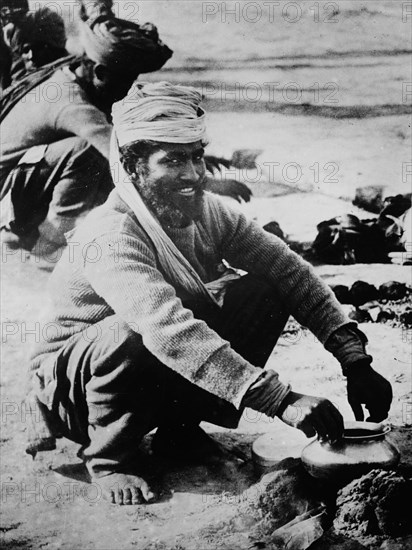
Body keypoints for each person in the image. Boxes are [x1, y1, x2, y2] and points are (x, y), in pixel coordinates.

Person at [26, 82, 392, 505]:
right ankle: (109, 458)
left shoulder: (204, 211)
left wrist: (354, 359)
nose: (194, 174)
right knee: (135, 331)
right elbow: (169, 331)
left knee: (262, 288)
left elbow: (289, 270)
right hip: (78, 392)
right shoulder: (110, 234)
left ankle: (180, 432)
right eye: (174, 160)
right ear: (132, 165)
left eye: (197, 156)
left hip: (152, 369)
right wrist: (282, 400)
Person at [0, 16, 173, 250]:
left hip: (20, 188)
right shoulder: (72, 104)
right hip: (5, 198)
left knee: (112, 170)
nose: (127, 90)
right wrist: (198, 182)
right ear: (100, 72)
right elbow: (117, 154)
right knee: (89, 151)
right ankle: (49, 246)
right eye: (124, 82)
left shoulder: (70, 70)